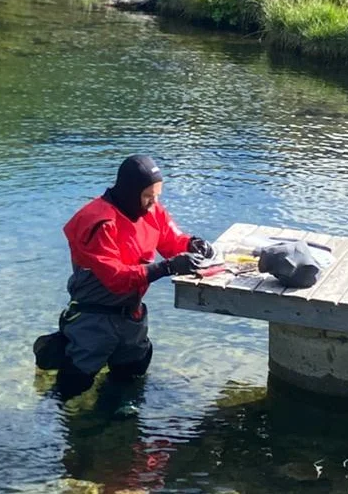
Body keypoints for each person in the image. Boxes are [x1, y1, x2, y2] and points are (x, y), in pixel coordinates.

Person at [34, 154, 215, 398]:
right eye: (148, 196)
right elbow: (116, 279)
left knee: (133, 370)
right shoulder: (99, 222)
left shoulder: (151, 210)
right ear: (130, 192)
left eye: (157, 195)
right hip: (96, 315)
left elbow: (171, 240)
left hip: (130, 314)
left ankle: (118, 417)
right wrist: (167, 268)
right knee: (76, 382)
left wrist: (192, 244)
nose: (154, 202)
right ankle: (63, 418)